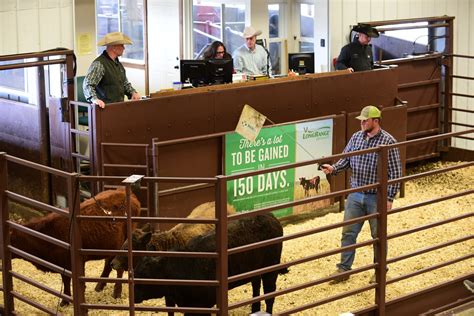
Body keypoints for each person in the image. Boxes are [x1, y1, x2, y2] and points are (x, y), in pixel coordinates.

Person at [320, 105, 402, 284]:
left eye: (365, 120)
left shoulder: (388, 142)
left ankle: (379, 271)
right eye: (361, 120)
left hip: (376, 196)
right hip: (356, 194)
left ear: (376, 121)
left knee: (378, 236)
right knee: (348, 233)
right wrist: (333, 169)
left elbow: (396, 173)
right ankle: (343, 269)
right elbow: (346, 159)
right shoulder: (356, 138)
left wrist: (389, 198)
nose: (362, 123)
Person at [83, 32, 140, 108]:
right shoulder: (99, 64)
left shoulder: (118, 64)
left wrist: (133, 92)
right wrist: (95, 99)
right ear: (114, 48)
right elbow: (88, 84)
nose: (124, 48)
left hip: (118, 107)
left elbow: (124, 83)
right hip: (104, 109)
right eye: (122, 45)